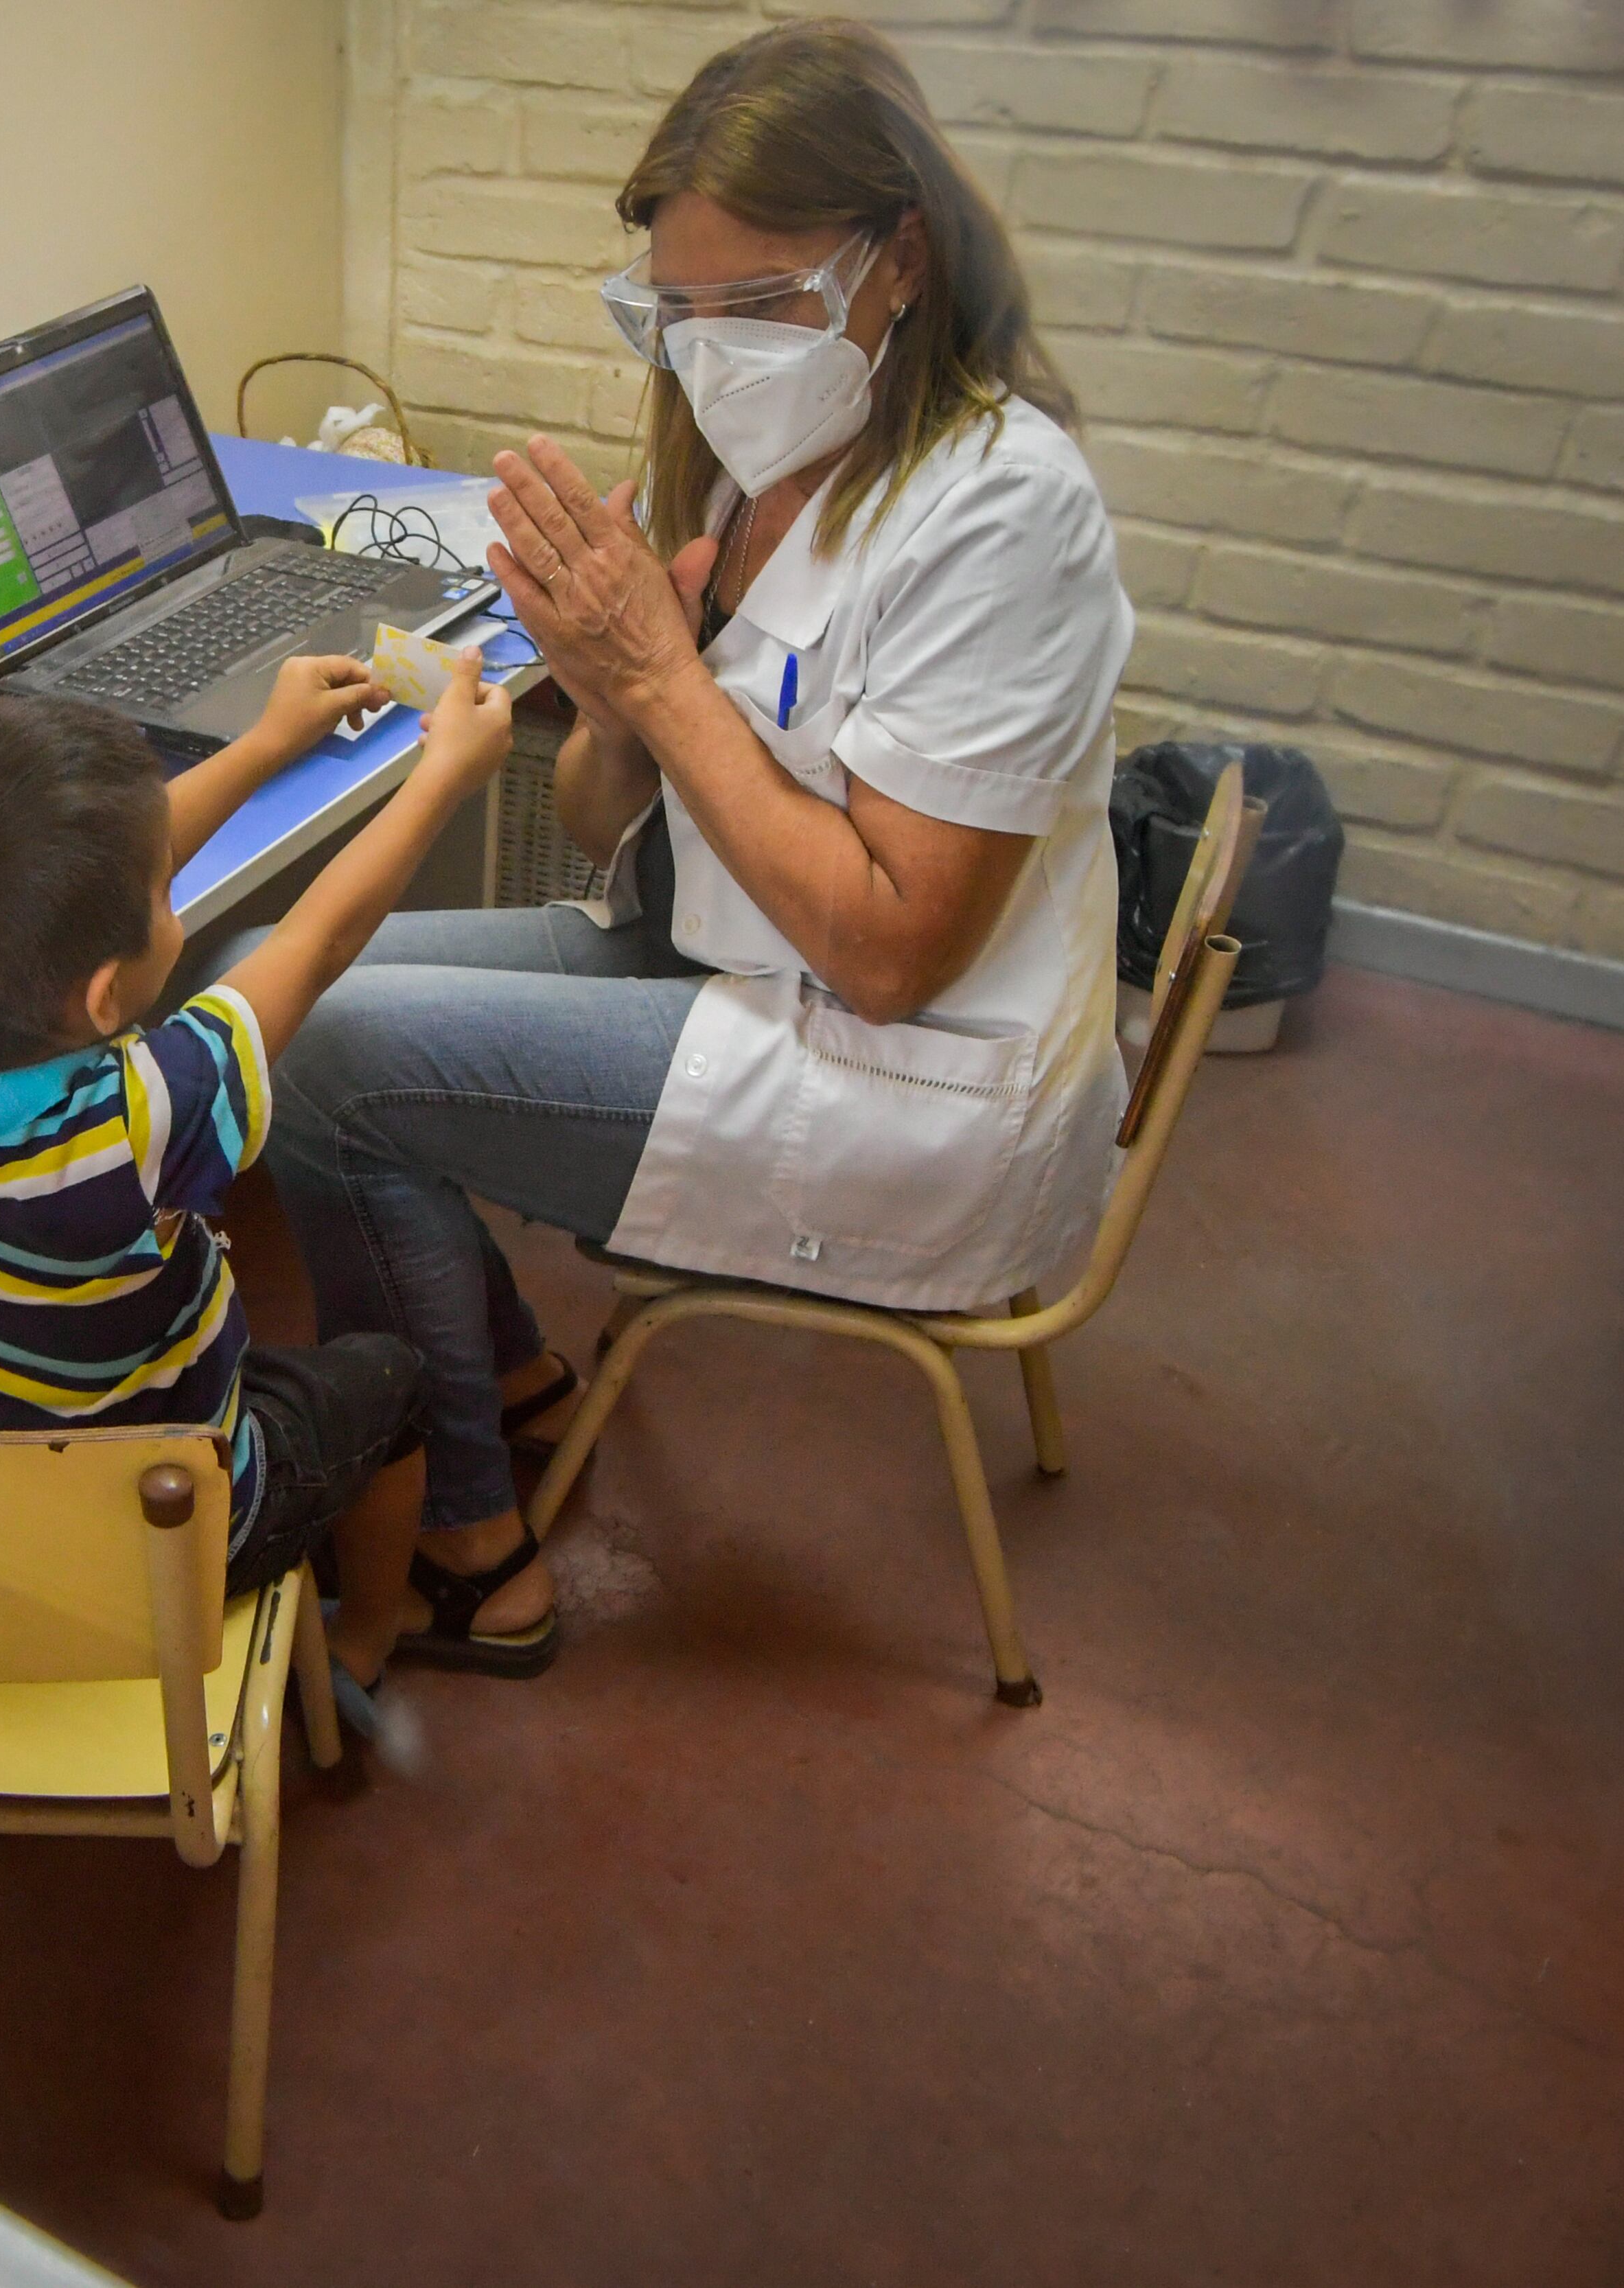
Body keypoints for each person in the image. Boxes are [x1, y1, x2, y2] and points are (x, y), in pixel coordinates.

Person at [246, 17, 1134, 1676]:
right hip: (723, 949)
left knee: (325, 1054)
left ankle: (466, 1545)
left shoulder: (1004, 512)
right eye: (679, 310)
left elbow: (889, 951)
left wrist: (664, 678)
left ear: (900, 263)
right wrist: (607, 703)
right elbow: (602, 830)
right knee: (272, 987)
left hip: (898, 1065)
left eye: (757, 305)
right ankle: (500, 1374)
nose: (711, 352)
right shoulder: (762, 460)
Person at [0, 650, 518, 1734]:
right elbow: (317, 940)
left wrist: (265, 744)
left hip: (13, 1485)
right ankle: (369, 1634)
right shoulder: (139, 1119)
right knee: (390, 1380)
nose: (169, 889)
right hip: (185, 1510)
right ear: (107, 990)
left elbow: (87, 894)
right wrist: (441, 773)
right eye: (163, 895)